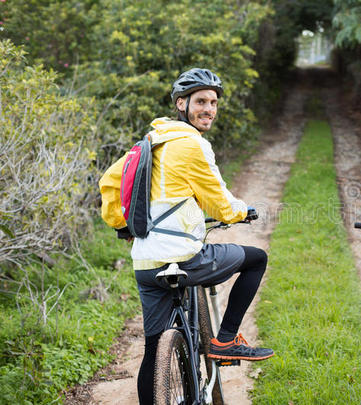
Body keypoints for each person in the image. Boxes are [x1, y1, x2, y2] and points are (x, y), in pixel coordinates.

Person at [99, 68, 274, 404]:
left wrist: (122, 224)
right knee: (256, 259)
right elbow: (220, 204)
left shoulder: (150, 142)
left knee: (152, 350)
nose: (208, 108)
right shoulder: (193, 144)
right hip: (185, 258)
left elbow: (109, 182)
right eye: (201, 101)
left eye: (213, 102)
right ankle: (224, 340)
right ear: (182, 104)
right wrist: (242, 211)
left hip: (146, 263)